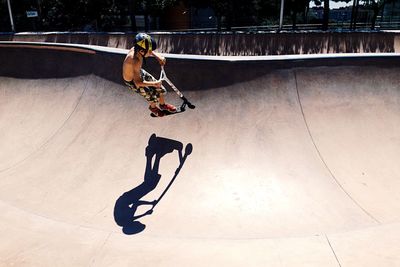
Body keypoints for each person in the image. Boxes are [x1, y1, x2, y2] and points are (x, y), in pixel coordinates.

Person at [123, 33, 177, 117]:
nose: (150, 52)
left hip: (138, 72)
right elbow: (138, 83)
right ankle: (153, 108)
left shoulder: (137, 48)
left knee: (160, 89)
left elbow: (149, 50)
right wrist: (154, 84)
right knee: (153, 97)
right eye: (149, 51)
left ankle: (162, 105)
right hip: (133, 81)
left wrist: (157, 56)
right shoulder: (135, 60)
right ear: (142, 51)